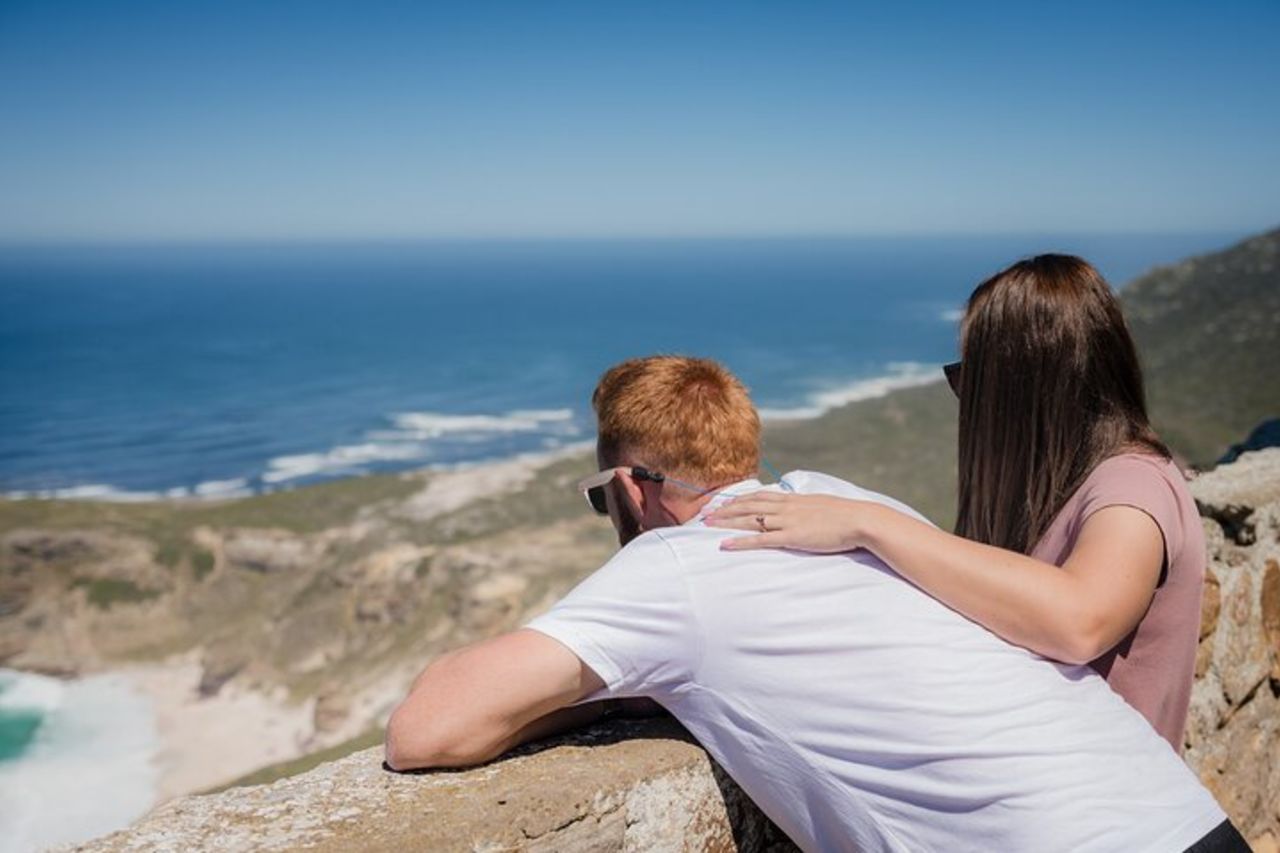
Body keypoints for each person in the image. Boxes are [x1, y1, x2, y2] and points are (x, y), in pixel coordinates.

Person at [386, 355, 1243, 853]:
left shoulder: (673, 568)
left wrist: (575, 700)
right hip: (1186, 818)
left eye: (598, 498)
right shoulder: (843, 501)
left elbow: (424, 732)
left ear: (630, 486)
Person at [709, 255, 1204, 750]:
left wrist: (867, 524)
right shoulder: (1071, 488)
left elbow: (1082, 622)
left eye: (970, 379)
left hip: (1108, 811)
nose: (964, 399)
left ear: (1019, 389)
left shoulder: (1134, 486)